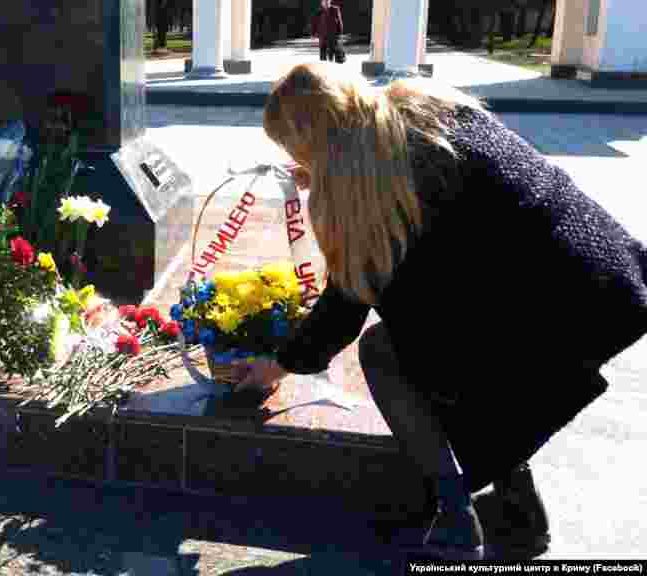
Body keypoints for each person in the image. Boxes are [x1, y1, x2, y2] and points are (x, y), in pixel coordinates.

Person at [238, 62, 647, 560]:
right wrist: (325, 167)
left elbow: (346, 304)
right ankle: (521, 517)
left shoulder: (373, 182)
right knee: (454, 334)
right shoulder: (431, 110)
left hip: (556, 310)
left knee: (391, 351)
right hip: (607, 279)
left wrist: (277, 365)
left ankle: (456, 523)